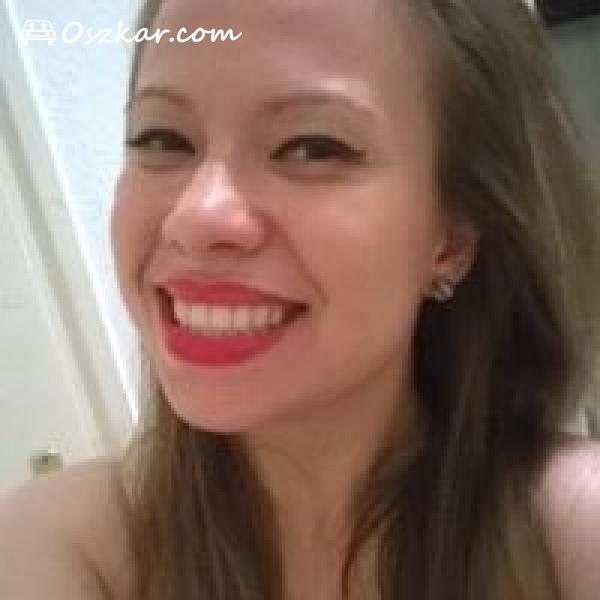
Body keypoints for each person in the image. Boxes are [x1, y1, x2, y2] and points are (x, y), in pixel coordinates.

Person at [1, 0, 600, 598]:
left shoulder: (575, 534)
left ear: (453, 236)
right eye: (162, 138)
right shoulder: (57, 545)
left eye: (312, 147)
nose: (195, 217)